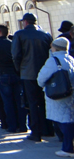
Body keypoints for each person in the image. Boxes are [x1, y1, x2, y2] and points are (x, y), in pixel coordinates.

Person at [13, 12, 54, 142]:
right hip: (45, 72)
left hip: (27, 73)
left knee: (32, 102)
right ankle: (48, 129)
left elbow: (16, 55)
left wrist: (19, 70)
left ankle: (36, 132)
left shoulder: (20, 34)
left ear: (25, 22)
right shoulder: (46, 35)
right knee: (44, 101)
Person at [37, 37, 74, 157]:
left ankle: (68, 148)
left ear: (55, 47)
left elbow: (41, 78)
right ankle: (67, 146)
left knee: (63, 121)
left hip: (57, 94)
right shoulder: (71, 59)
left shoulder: (53, 60)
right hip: (70, 93)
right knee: (68, 118)